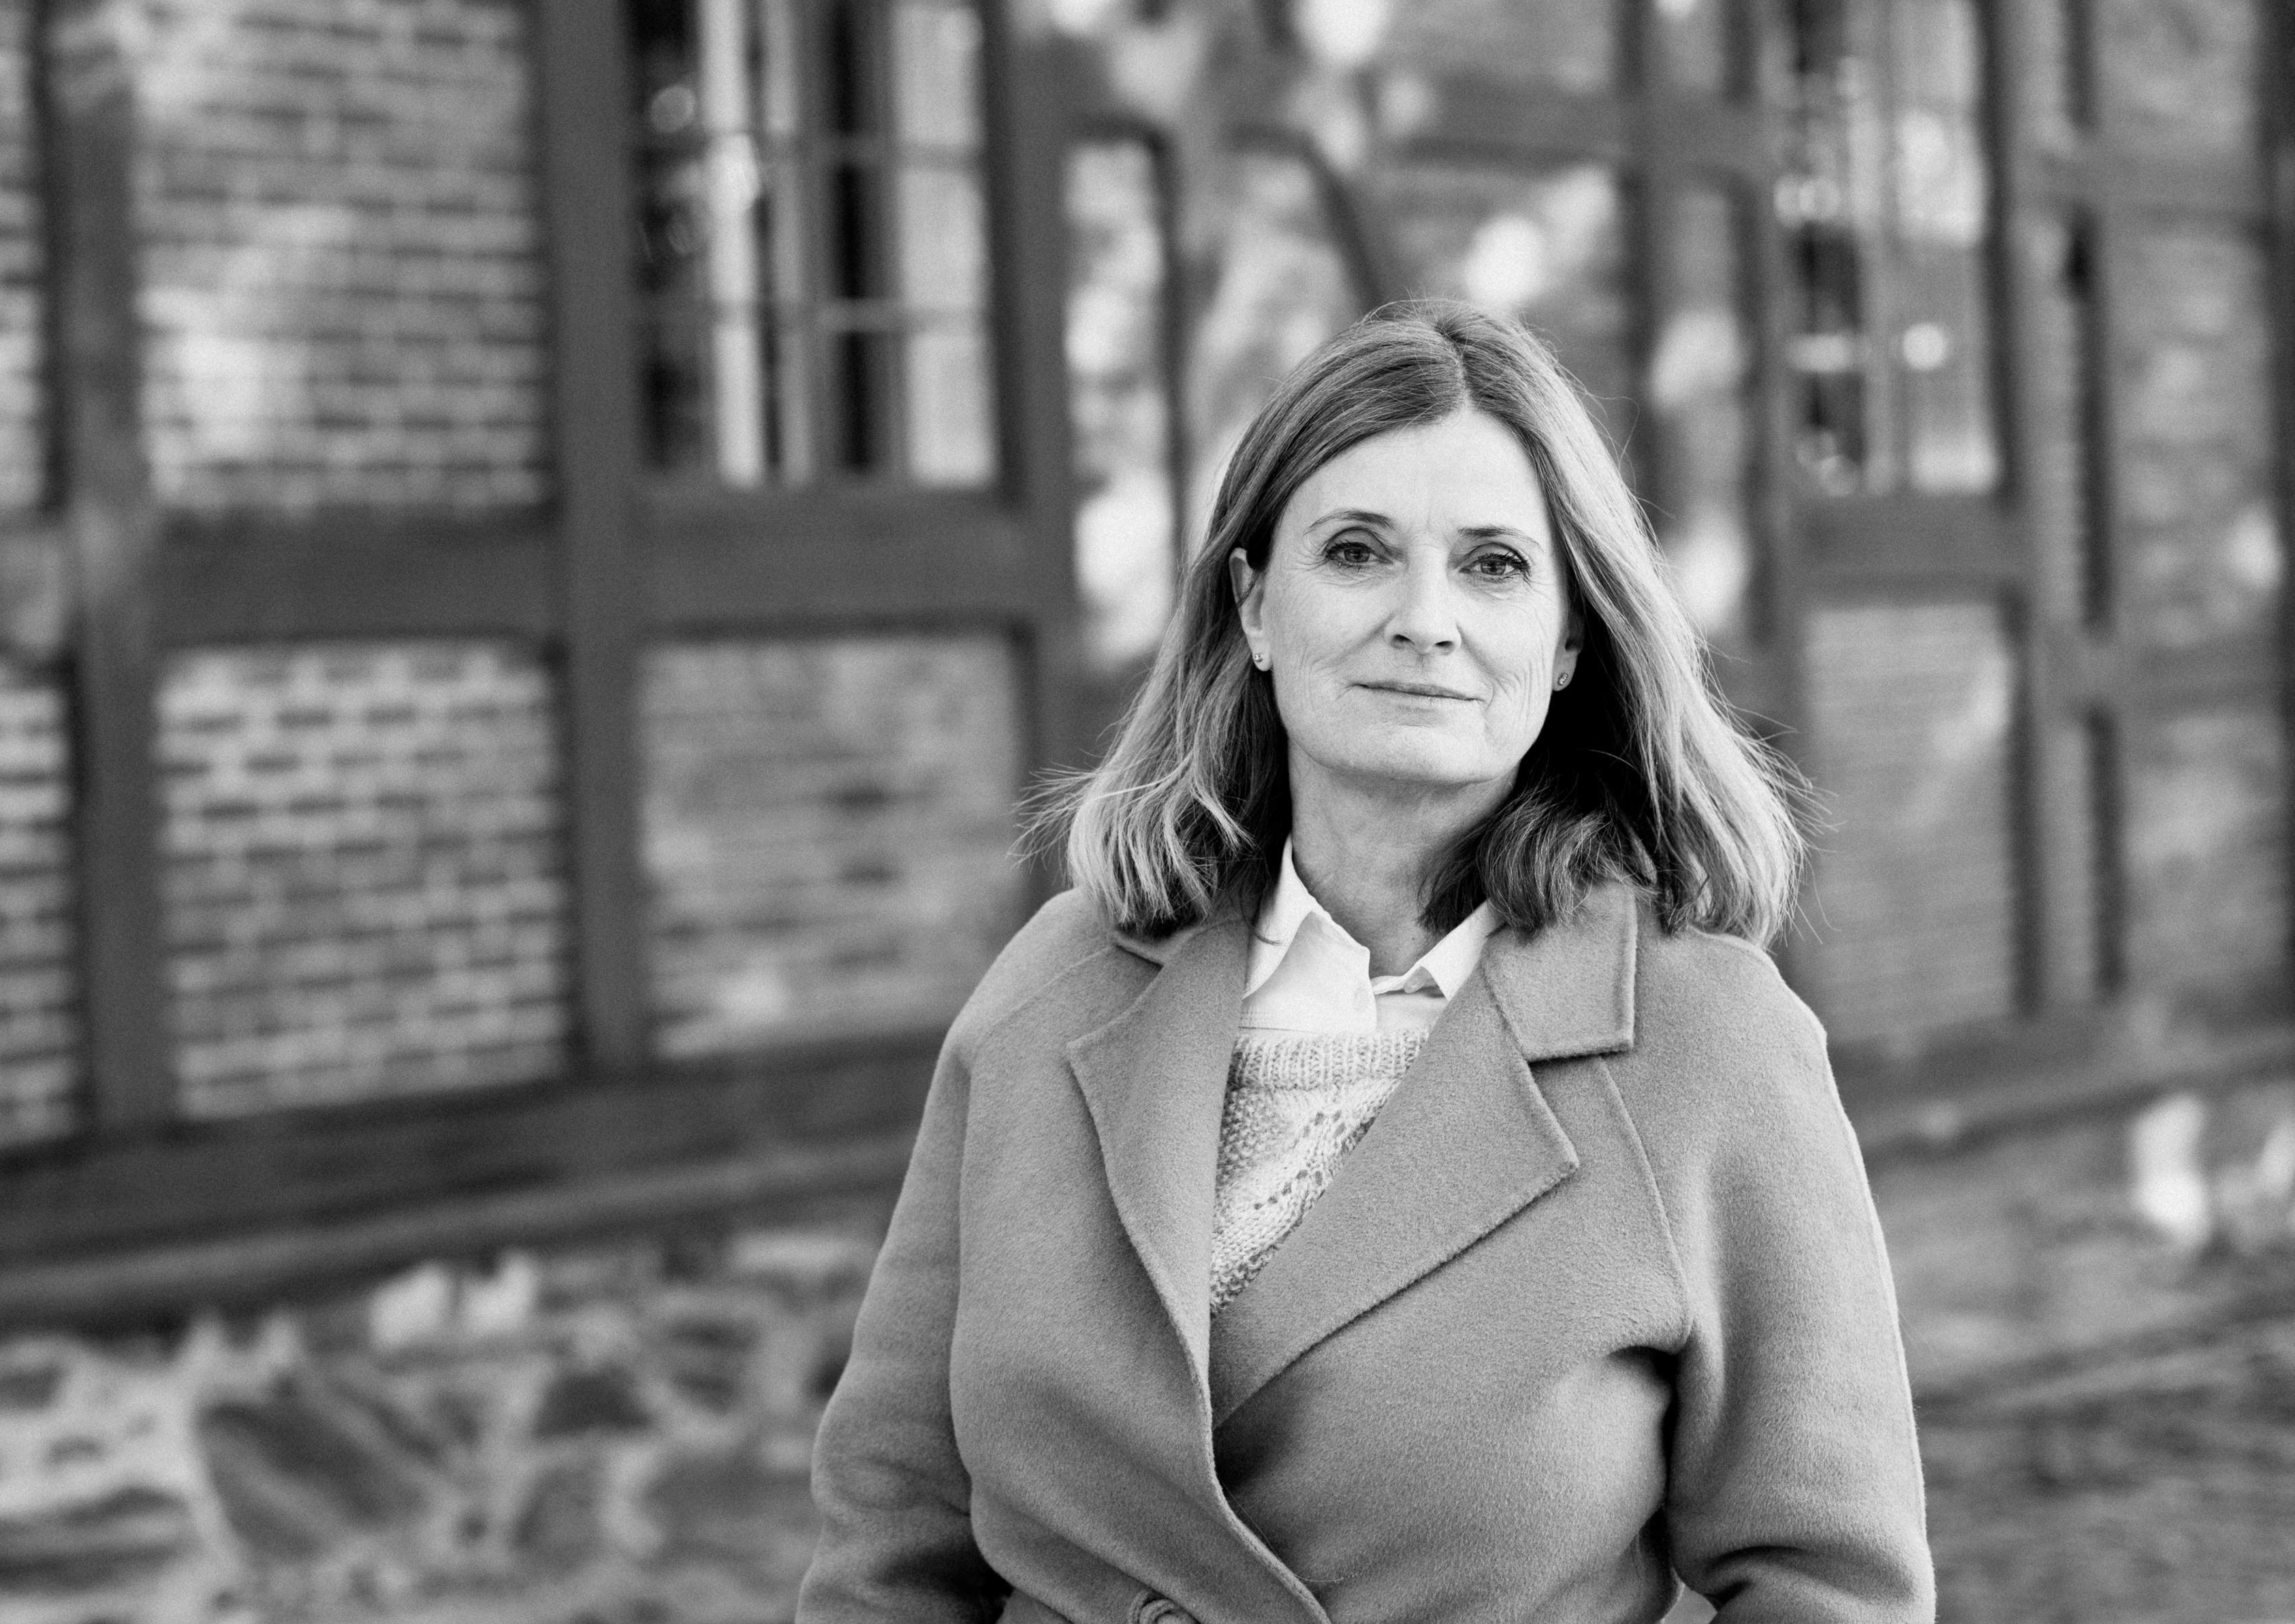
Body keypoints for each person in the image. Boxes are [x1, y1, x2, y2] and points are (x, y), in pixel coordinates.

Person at [797, 301, 1933, 1624]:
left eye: (1494, 565)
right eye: (1355, 551)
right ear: (1254, 605)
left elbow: (1829, 1583)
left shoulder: (1706, 1038)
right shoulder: (1053, 988)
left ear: (1569, 639)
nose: (1423, 619)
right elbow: (892, 1531)